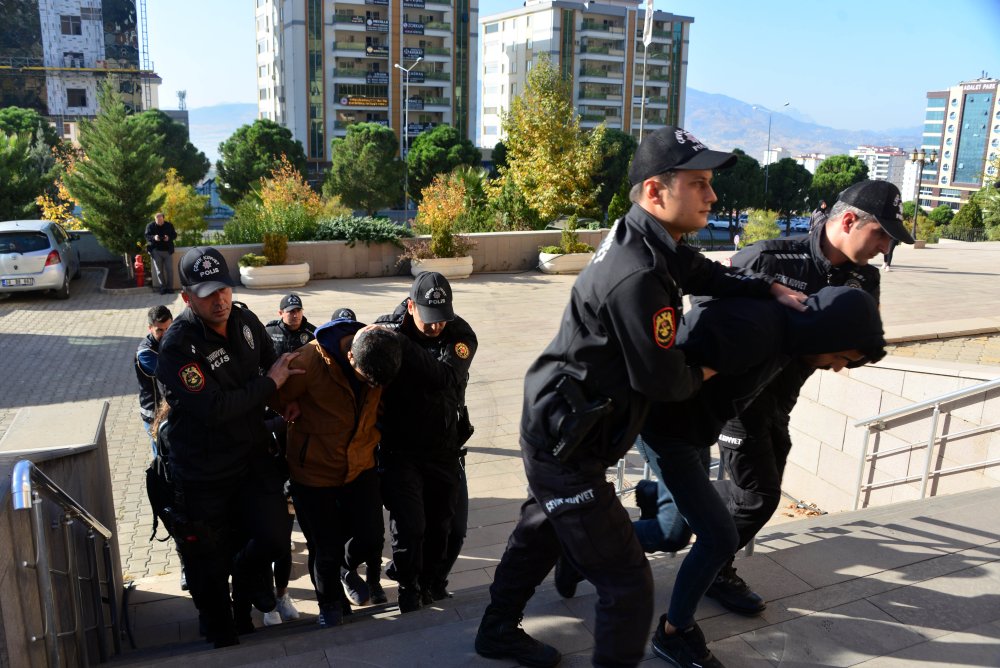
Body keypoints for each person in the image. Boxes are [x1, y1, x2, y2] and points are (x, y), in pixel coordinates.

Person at [473, 126, 807, 668]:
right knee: (628, 585)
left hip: (567, 420)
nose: (712, 195)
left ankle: (495, 630)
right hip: (567, 439)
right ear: (655, 191)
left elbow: (701, 271)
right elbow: (666, 381)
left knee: (542, 529)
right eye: (699, 184)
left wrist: (764, 286)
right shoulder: (638, 273)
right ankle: (504, 625)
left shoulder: (650, 240)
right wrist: (720, 362)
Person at [638, 286, 886, 668]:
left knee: (674, 532)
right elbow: (670, 355)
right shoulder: (756, 330)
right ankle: (674, 633)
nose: (838, 367)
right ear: (829, 335)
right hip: (666, 434)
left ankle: (619, 520)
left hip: (691, 434)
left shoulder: (790, 341)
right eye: (841, 357)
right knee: (718, 537)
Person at [702, 179, 912, 618]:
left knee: (759, 490)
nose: (885, 248)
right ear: (849, 220)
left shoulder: (864, 279)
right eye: (882, 235)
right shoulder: (770, 257)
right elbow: (706, 303)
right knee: (758, 497)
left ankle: (670, 497)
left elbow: (858, 346)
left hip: (782, 400)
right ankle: (713, 569)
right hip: (738, 399)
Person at [155, 246, 303, 648]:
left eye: (223, 289)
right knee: (209, 567)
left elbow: (275, 366)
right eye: (207, 293)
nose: (219, 300)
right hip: (204, 470)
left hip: (251, 455)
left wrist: (283, 401)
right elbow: (216, 409)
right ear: (187, 297)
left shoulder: (245, 321)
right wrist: (269, 385)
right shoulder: (178, 346)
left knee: (275, 537)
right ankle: (223, 628)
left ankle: (245, 579)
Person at [273, 317, 402, 628]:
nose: (373, 386)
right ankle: (330, 605)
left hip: (360, 463)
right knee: (325, 547)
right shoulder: (308, 362)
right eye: (367, 379)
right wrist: (285, 407)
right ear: (350, 356)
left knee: (371, 537)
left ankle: (346, 568)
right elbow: (273, 395)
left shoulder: (383, 350)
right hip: (314, 472)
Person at [374, 271, 478, 612]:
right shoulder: (387, 329)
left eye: (441, 318)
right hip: (400, 450)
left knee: (446, 528)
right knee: (410, 526)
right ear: (410, 306)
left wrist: (403, 346)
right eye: (429, 318)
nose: (436, 326)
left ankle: (432, 583)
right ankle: (409, 588)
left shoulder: (460, 334)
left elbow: (445, 377)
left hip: (444, 448)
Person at [261, 293, 315, 625]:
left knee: (282, 539)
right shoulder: (267, 335)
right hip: (265, 442)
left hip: (294, 420)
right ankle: (264, 601)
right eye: (289, 311)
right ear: (280, 313)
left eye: (298, 311)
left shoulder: (312, 334)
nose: (294, 316)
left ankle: (279, 596)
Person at [136, 305, 173, 457]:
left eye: (168, 328)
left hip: (170, 409)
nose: (165, 334)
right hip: (154, 414)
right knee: (161, 456)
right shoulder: (145, 353)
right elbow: (170, 372)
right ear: (150, 328)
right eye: (159, 330)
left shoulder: (173, 340)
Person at [145, 212, 178, 294]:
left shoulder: (169, 225)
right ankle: (162, 288)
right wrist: (154, 237)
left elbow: (174, 235)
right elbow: (147, 236)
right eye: (157, 220)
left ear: (163, 218)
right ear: (155, 219)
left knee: (169, 270)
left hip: (167, 251)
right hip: (156, 251)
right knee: (159, 271)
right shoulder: (150, 226)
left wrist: (168, 237)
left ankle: (170, 288)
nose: (159, 221)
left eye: (160, 220)